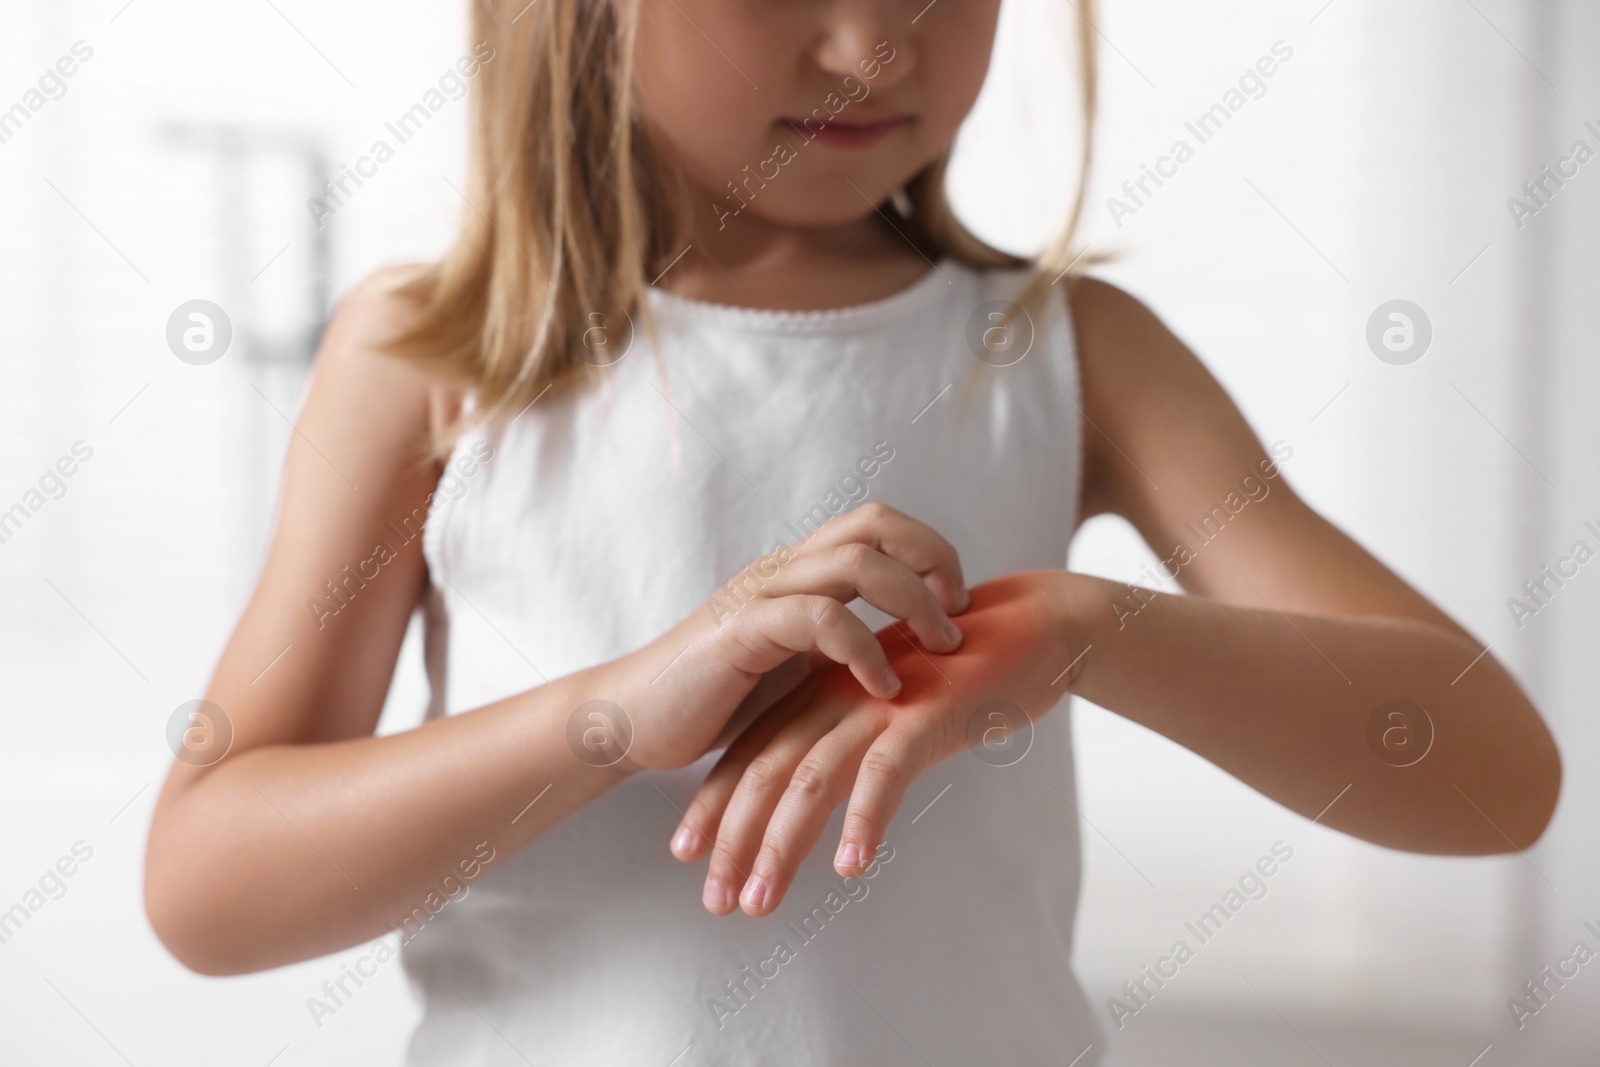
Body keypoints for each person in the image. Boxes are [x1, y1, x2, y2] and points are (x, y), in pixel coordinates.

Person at [144, 0, 1562, 1062]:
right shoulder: (434, 358)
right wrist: (610, 719)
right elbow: (207, 887)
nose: (878, 44)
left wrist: (1083, 632)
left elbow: (1494, 778)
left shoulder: (1071, 354)